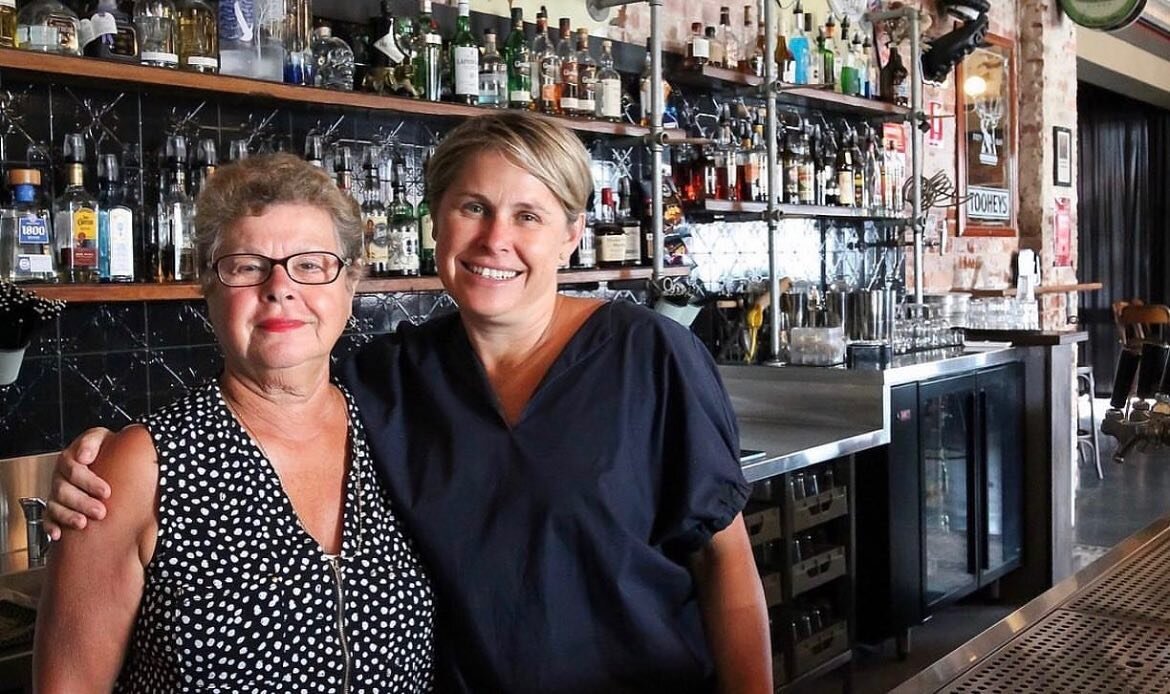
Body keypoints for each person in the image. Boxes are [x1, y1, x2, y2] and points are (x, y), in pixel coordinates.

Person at [46, 112, 772, 692]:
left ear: (573, 235)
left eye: (529, 215)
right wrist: (104, 454)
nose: (496, 239)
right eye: (473, 208)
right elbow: (271, 389)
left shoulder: (649, 355)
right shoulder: (387, 380)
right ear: (437, 222)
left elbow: (726, 567)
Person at [34, 154, 435, 692]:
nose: (280, 286)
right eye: (247, 265)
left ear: (351, 282)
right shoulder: (139, 467)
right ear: (209, 286)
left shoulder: (399, 432)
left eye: (311, 264)